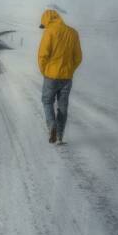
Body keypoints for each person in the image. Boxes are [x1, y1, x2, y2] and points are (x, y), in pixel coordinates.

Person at [37, 9, 82, 145]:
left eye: (44, 24)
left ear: (47, 21)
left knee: (47, 101)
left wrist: (45, 71)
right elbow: (78, 57)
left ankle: (52, 126)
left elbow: (42, 56)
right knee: (63, 107)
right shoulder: (73, 33)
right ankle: (60, 136)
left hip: (51, 75)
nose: (44, 27)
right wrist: (70, 70)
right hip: (67, 77)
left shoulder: (49, 32)